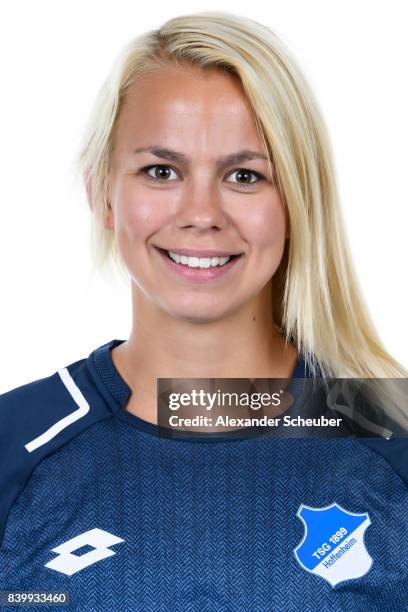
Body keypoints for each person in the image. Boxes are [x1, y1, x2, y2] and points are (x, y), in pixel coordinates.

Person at [1, 11, 407, 611]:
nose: (201, 213)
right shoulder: (13, 448)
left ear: (298, 201)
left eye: (245, 175)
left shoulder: (390, 446)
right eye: (160, 171)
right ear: (100, 192)